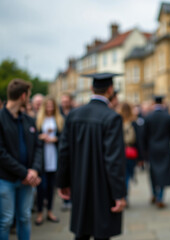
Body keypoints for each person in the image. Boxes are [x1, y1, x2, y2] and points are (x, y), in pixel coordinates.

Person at [56, 73, 126, 240]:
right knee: (101, 232)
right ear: (110, 90)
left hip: (79, 182)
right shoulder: (112, 117)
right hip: (103, 187)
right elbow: (113, 160)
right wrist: (119, 194)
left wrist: (62, 182)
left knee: (82, 230)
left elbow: (64, 151)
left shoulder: (73, 115)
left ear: (90, 88)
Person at [0, 79, 42, 240]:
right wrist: (25, 173)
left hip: (27, 180)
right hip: (6, 179)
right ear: (23, 96)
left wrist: (35, 170)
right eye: (29, 96)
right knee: (5, 221)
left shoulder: (28, 120)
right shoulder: (1, 119)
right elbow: (1, 153)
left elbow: (38, 147)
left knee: (24, 218)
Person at [143, 95, 170, 209]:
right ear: (163, 103)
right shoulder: (168, 116)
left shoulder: (148, 117)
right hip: (164, 148)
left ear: (153, 103)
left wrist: (143, 150)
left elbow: (143, 135)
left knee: (153, 172)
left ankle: (154, 193)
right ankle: (160, 197)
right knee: (163, 172)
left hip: (152, 148)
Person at [34, 96, 64, 225]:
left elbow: (63, 137)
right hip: (42, 157)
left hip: (54, 156)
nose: (50, 108)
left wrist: (55, 139)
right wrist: (41, 137)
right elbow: (34, 137)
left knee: (51, 186)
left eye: (52, 106)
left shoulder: (59, 120)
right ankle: (40, 212)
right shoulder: (38, 120)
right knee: (42, 186)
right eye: (48, 106)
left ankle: (50, 211)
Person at [117, 102, 143, 207]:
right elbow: (139, 141)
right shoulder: (134, 122)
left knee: (123, 176)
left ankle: (123, 196)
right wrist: (141, 158)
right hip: (131, 152)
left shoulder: (117, 121)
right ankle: (125, 196)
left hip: (120, 152)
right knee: (128, 175)